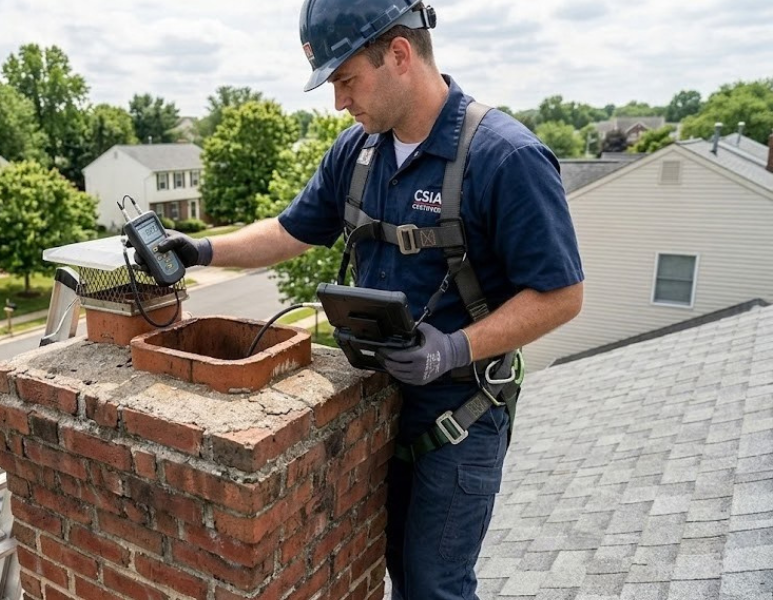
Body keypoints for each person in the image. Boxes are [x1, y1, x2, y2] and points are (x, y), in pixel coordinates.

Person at [151, 0, 584, 597]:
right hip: (377, 408)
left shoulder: (503, 157)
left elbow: (561, 295)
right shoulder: (357, 154)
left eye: (346, 80)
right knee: (384, 568)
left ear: (399, 54)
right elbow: (289, 230)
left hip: (460, 417)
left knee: (434, 586)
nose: (339, 102)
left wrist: (455, 348)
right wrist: (200, 250)